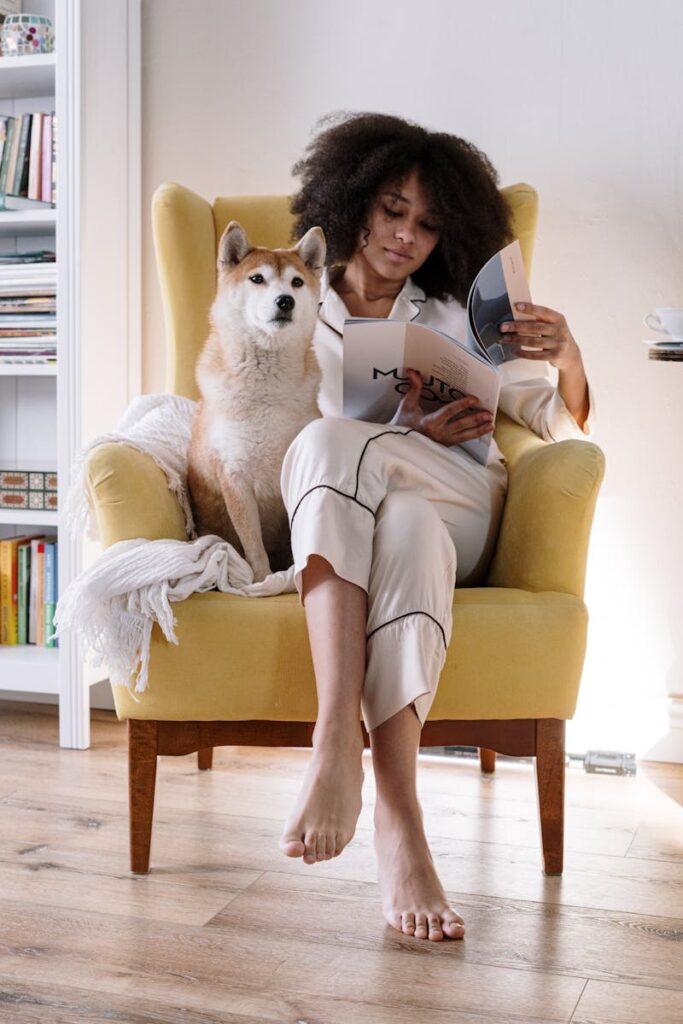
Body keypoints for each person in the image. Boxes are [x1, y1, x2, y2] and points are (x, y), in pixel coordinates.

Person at [276, 112, 593, 942]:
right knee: (392, 513)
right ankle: (400, 820)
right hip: (362, 518)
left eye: (426, 223)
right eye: (391, 210)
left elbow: (552, 421)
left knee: (363, 467)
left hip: (462, 496)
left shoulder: (456, 311)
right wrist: (400, 433)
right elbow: (246, 418)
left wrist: (565, 357)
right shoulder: (289, 296)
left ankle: (333, 739)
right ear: (353, 203)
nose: (406, 235)